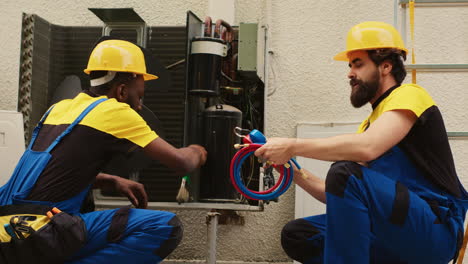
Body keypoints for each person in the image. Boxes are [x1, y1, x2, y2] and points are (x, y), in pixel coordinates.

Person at [255, 21, 468, 264]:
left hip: (433, 230)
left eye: (358, 64)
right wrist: (292, 172)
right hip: (395, 230)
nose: (350, 73)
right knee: (298, 235)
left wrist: (292, 145)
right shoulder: (369, 125)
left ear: (386, 66)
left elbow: (368, 147)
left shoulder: (410, 95)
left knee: (344, 172)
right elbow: (339, 192)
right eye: (349, 66)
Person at [0, 39, 207, 263]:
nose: (139, 106)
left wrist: (111, 181)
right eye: (139, 96)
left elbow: (50, 174)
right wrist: (199, 150)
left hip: (8, 231)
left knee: (85, 206)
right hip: (42, 232)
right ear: (121, 90)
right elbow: (181, 163)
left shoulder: (57, 109)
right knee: (164, 227)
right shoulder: (115, 111)